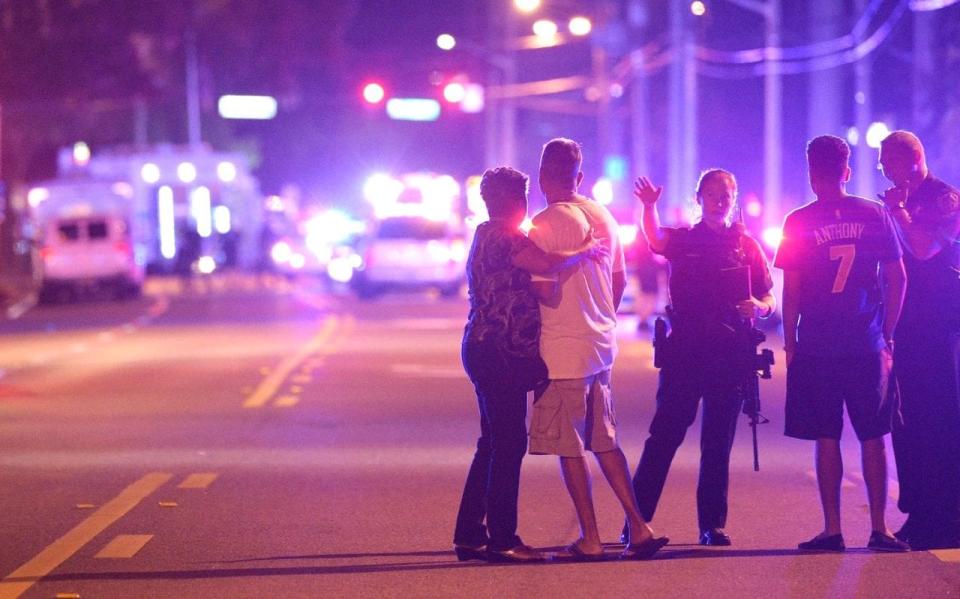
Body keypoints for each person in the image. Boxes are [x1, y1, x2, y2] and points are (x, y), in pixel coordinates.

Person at [453, 166, 604, 563]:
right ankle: (503, 539)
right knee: (508, 444)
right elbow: (549, 262)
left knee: (490, 443)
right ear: (518, 202)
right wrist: (585, 251)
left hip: (479, 347)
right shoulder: (507, 238)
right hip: (501, 353)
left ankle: (469, 533)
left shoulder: (482, 233)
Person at [527, 138, 668, 561]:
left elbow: (543, 289)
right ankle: (638, 527)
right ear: (580, 177)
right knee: (605, 440)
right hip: (601, 344)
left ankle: (590, 537)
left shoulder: (545, 222)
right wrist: (599, 310)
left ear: (541, 177)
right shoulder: (604, 217)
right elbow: (619, 281)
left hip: (562, 348)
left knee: (570, 446)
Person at [627, 169, 775, 547]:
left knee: (717, 443)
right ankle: (635, 521)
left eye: (726, 192)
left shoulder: (747, 246)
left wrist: (756, 306)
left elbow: (768, 298)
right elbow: (655, 239)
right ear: (700, 198)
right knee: (664, 436)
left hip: (729, 355)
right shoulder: (685, 239)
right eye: (712, 193)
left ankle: (712, 525)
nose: (720, 199)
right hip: (686, 352)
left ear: (735, 197)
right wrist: (649, 207)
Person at [776, 135, 908, 553]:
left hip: (817, 342)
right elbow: (898, 277)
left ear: (813, 175)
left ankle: (832, 529)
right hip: (865, 341)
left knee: (826, 435)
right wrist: (886, 332)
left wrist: (790, 339)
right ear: (847, 171)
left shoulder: (797, 221)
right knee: (873, 435)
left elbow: (791, 287)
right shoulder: (874, 214)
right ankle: (879, 528)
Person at [877, 130, 960, 550]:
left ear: (911, 160)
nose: (886, 173)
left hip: (940, 326)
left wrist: (901, 214)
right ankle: (918, 509)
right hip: (905, 325)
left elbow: (926, 249)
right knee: (905, 422)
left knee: (940, 421)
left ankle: (947, 515)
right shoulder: (896, 204)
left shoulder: (943, 198)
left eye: (888, 164)